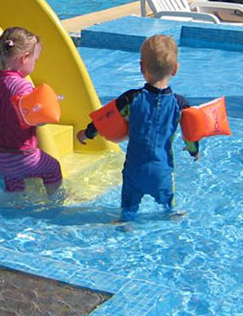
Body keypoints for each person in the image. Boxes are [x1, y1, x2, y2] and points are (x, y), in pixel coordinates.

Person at [76, 34, 199, 221]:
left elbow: (104, 121)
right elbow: (191, 135)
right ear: (175, 69)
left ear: (142, 67)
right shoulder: (180, 104)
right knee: (168, 205)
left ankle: (126, 223)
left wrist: (87, 134)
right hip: (162, 171)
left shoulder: (130, 99)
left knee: (128, 208)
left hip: (134, 169)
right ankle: (171, 214)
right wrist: (193, 152)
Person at [0, 27, 63, 194]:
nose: (35, 64)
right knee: (53, 169)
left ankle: (12, 202)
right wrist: (48, 106)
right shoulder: (22, 85)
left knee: (14, 189)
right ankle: (55, 202)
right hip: (23, 156)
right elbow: (32, 118)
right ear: (25, 58)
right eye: (35, 60)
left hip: (1, 157)